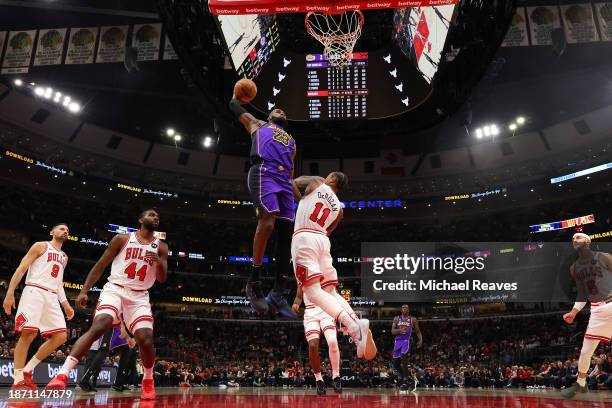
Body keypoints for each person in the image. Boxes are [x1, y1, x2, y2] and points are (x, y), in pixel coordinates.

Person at [46, 209, 168, 401]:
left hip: (139, 296)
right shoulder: (122, 239)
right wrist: (85, 290)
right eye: (151, 215)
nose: (155, 217)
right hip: (115, 288)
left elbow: (162, 279)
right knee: (100, 325)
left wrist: (159, 263)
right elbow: (101, 264)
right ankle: (62, 374)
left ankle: (148, 379)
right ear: (140, 219)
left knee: (145, 339)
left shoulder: (161, 247)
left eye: (157, 216)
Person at [229, 89, 298, 318]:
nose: (280, 110)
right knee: (267, 224)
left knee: (287, 234)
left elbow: (291, 172)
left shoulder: (292, 142)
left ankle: (278, 292)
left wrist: (302, 197)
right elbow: (234, 106)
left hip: (284, 181)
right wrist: (235, 96)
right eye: (276, 109)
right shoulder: (257, 124)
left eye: (283, 110)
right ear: (269, 116)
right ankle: (254, 282)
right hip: (264, 172)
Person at [291, 173, 376, 360]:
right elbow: (331, 229)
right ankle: (355, 321)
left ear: (333, 179)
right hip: (323, 240)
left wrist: (290, 179)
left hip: (305, 236)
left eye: (328, 175)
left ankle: (354, 328)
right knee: (330, 290)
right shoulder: (338, 207)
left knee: (312, 292)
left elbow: (295, 190)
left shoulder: (316, 182)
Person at [2, 223, 74, 390]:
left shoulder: (64, 256)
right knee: (28, 334)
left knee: (61, 336)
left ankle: (28, 370)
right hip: (34, 291)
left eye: (67, 231)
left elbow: (59, 284)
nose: (65, 232)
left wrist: (66, 304)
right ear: (52, 232)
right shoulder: (41, 246)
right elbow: (21, 268)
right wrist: (10, 292)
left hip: (52, 296)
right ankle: (18, 379)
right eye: (61, 229)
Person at [561, 232, 612, 399]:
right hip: (597, 310)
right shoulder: (574, 268)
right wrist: (573, 312)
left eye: (579, 237)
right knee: (585, 351)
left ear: (588, 241)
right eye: (573, 238)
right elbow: (582, 294)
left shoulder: (604, 257)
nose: (575, 239)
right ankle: (581, 383)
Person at [292, 285, 341, 395]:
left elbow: (337, 297)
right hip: (310, 313)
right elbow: (299, 297)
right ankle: (319, 380)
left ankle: (336, 377)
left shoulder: (326, 275)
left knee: (333, 341)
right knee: (313, 346)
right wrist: (296, 304)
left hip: (326, 310)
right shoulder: (303, 278)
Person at [391, 304, 422, 391]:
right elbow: (392, 331)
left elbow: (418, 331)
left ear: (408, 310)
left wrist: (420, 340)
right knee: (396, 365)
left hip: (405, 341)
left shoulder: (413, 319)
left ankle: (405, 381)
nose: (404, 309)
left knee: (404, 360)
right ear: (401, 310)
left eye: (406, 308)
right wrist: (400, 330)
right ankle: (409, 379)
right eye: (403, 308)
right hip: (397, 342)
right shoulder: (396, 318)